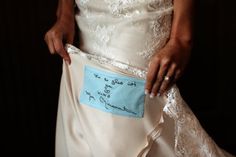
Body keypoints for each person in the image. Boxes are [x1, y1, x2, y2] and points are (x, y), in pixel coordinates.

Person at [44, 0, 235, 156]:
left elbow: (182, 39)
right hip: (87, 24)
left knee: (119, 142)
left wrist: (181, 39)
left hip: (139, 19)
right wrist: (65, 15)